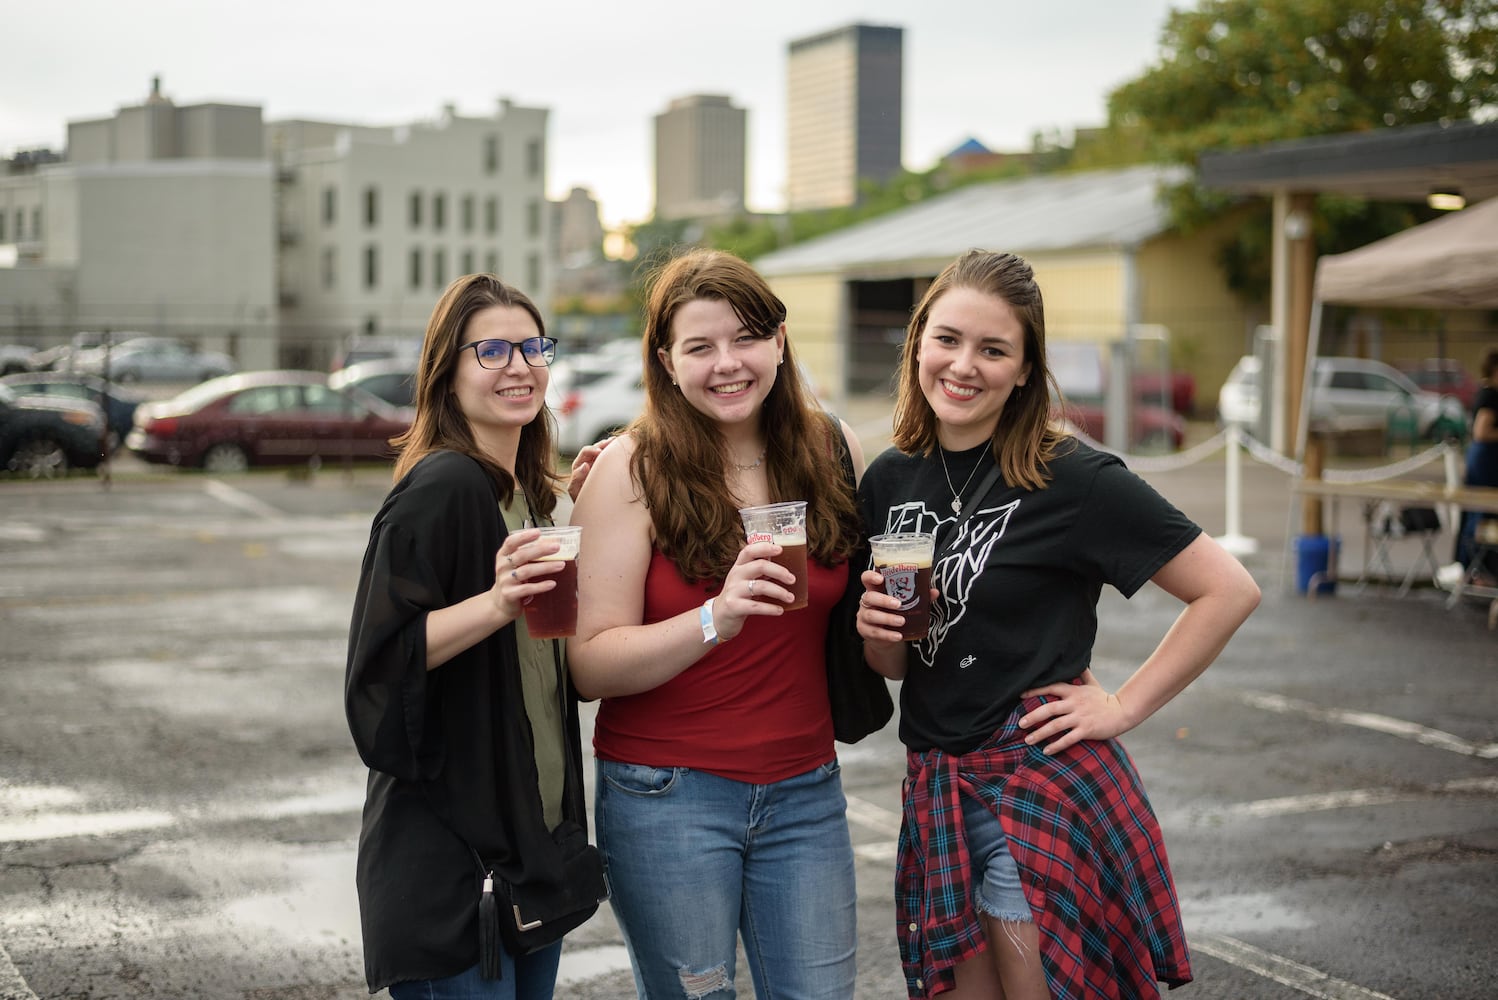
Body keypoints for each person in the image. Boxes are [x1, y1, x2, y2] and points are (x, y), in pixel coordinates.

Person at [854, 250, 1261, 1000]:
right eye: (947, 339)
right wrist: (881, 634)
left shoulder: (1070, 476)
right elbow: (900, 665)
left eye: (993, 348)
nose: (964, 364)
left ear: (1024, 367)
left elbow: (1227, 589)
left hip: (1034, 780)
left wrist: (1123, 705)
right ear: (917, 343)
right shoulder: (888, 478)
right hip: (937, 787)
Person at [567, 248, 867, 998]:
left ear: (780, 341)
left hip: (806, 789)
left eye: (746, 338)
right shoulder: (631, 470)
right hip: (669, 797)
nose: (726, 364)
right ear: (666, 362)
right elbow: (589, 664)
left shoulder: (832, 449)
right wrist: (715, 616)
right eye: (699, 347)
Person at [345, 274, 603, 999]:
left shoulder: (521, 491)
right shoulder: (445, 487)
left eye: (531, 347)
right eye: (491, 349)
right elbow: (377, 662)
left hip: (523, 858)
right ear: (447, 372)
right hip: (453, 876)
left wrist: (578, 497)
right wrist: (494, 605)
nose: (518, 366)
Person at [1454, 348, 1498, 573]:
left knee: (1481, 513)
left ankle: (1477, 567)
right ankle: (1476, 567)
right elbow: (1481, 432)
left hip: (1484, 460)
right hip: (1486, 461)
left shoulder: (1487, 392)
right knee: (1481, 514)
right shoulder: (1490, 395)